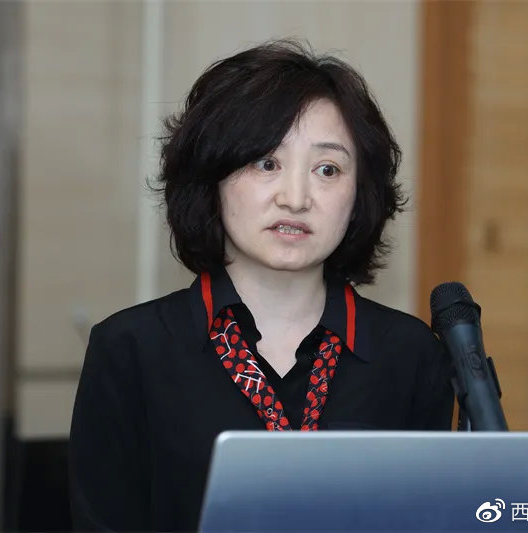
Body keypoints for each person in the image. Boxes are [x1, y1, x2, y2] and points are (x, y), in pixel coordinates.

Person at [68, 39, 455, 532]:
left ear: (360, 195)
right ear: (211, 176)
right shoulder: (130, 350)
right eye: (266, 163)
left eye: (327, 169)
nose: (295, 198)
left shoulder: (411, 354)